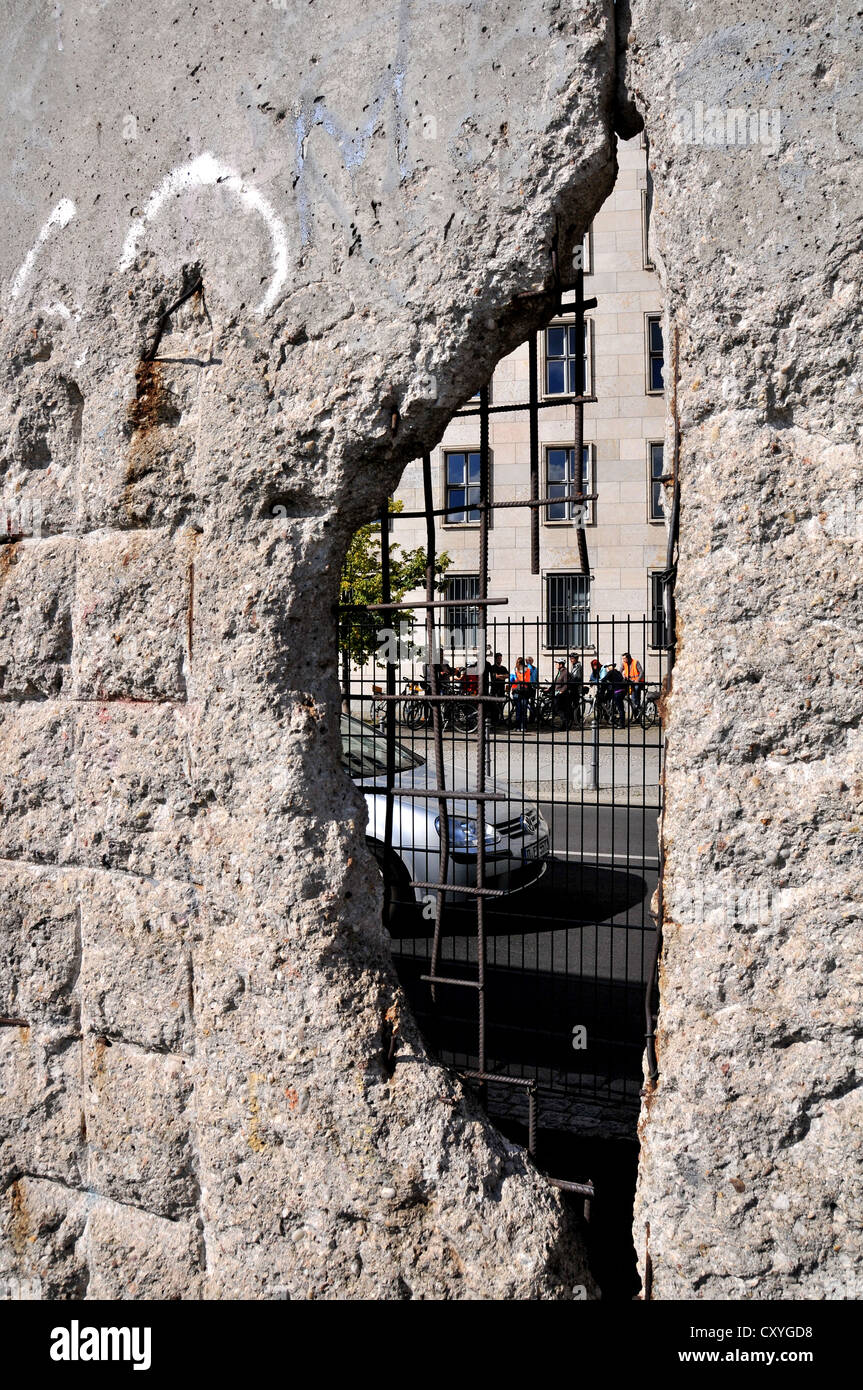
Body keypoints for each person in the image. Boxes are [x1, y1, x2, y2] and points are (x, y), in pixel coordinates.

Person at [487, 650, 509, 724]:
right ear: (496, 659)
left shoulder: (504, 668)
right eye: (499, 658)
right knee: (494, 706)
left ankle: (500, 719)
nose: (500, 659)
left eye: (500, 658)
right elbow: (495, 676)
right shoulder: (493, 667)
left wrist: (500, 676)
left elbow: (508, 676)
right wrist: (503, 676)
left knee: (501, 705)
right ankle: (494, 720)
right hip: (494, 689)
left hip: (501, 689)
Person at [510, 656, 531, 731]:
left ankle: (518, 727)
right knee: (524, 710)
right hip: (525, 691)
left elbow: (511, 680)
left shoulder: (514, 670)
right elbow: (528, 680)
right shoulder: (527, 670)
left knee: (518, 709)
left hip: (516, 691)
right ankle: (524, 727)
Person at [552, 658, 570, 722]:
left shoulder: (565, 672)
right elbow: (555, 682)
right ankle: (564, 723)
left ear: (561, 664)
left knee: (559, 709)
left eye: (557, 663)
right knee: (556, 708)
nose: (556, 665)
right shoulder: (560, 672)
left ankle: (565, 722)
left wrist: (561, 691)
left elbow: (566, 684)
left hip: (561, 694)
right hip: (557, 692)